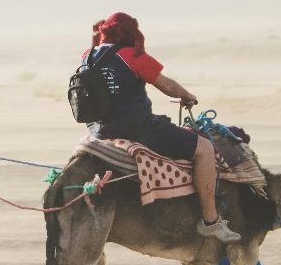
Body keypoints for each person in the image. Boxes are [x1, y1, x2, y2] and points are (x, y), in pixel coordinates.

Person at [81, 13, 240, 242]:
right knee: (204, 148)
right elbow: (166, 85)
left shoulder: (87, 56)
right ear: (129, 33)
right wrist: (187, 96)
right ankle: (210, 220)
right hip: (137, 129)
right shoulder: (131, 55)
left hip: (99, 130)